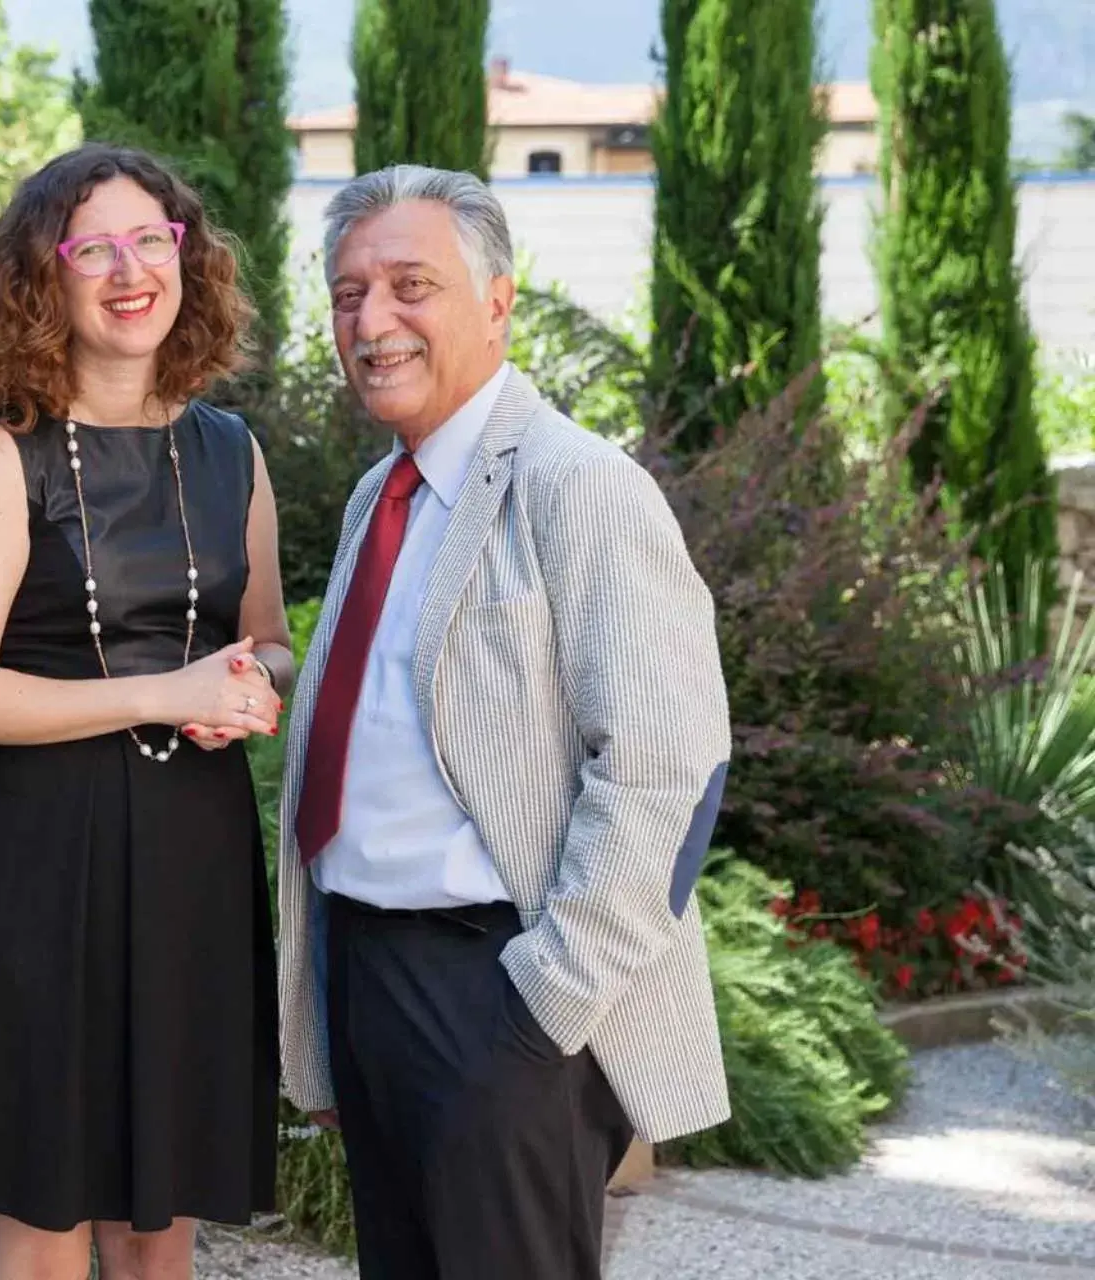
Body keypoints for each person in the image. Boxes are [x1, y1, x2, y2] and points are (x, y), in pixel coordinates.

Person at [276, 164, 732, 1280]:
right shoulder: (379, 493)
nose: (372, 321)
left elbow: (669, 768)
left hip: (500, 990)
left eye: (408, 285)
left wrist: (546, 1002)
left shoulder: (579, 485)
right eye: (347, 293)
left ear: (496, 300)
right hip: (370, 970)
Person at [0, 143, 287, 1280]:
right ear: (46, 278)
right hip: (38, 858)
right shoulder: (1, 456)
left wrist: (254, 685)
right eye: (93, 248)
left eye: (150, 241)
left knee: (158, 1221)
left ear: (187, 260)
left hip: (193, 857)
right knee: (42, 1219)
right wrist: (166, 691)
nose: (128, 270)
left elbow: (266, 637)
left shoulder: (232, 450)